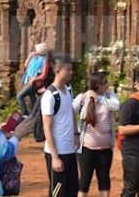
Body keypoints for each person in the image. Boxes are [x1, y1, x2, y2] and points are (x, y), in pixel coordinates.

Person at [74, 71, 119, 197]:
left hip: (105, 148)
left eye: (106, 82)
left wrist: (98, 98)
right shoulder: (84, 97)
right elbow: (70, 109)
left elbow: (116, 106)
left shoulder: (110, 96)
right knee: (85, 178)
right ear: (96, 85)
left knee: (104, 178)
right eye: (103, 83)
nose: (106, 85)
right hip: (86, 148)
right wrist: (85, 98)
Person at [42, 54, 78, 197]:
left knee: (72, 188)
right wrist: (55, 157)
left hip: (69, 150)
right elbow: (47, 127)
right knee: (58, 192)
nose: (71, 72)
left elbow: (71, 114)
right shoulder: (50, 95)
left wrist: (76, 134)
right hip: (57, 151)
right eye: (68, 69)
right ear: (58, 71)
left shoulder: (68, 90)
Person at [17, 42, 49, 114]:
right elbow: (25, 66)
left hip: (34, 83)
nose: (35, 50)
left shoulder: (44, 61)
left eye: (36, 49)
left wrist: (34, 79)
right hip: (28, 80)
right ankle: (34, 114)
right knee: (32, 99)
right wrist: (29, 57)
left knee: (19, 96)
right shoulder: (34, 58)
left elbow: (44, 76)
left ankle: (25, 113)